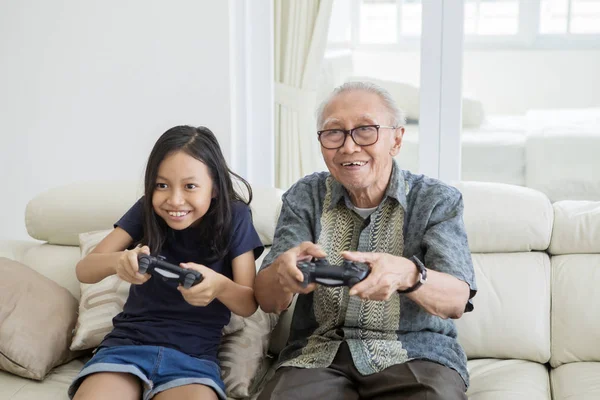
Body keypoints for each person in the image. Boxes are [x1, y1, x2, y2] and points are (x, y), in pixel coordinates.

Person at [254, 82, 477, 400]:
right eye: (334, 133)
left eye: (365, 130)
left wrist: (406, 275)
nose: (348, 146)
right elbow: (266, 299)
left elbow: (456, 300)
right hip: (317, 356)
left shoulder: (435, 200)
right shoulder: (305, 196)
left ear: (396, 139)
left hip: (416, 356)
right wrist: (283, 275)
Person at [69, 125, 264, 400]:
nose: (174, 200)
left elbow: (248, 303)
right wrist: (119, 261)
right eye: (162, 185)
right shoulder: (146, 208)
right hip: (126, 347)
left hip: (193, 357)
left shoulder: (236, 217)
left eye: (190, 186)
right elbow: (85, 270)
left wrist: (219, 286)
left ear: (215, 189)